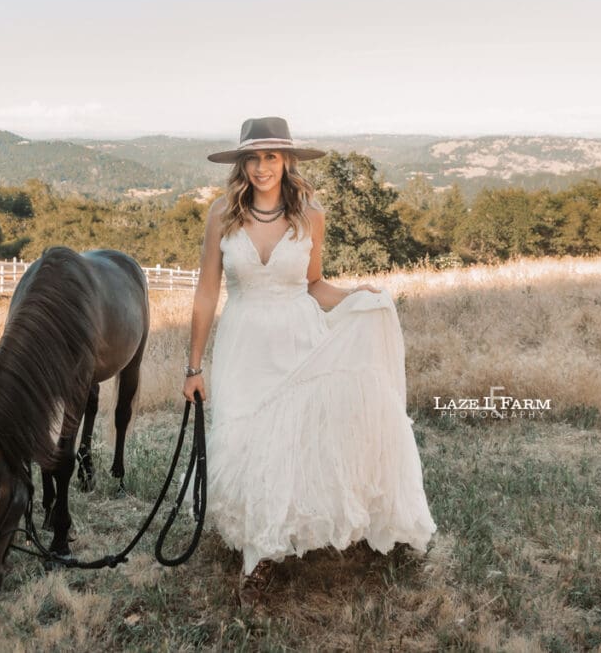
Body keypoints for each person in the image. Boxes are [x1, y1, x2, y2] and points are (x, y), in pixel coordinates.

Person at [182, 116, 437, 608]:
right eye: (252, 158)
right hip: (242, 344)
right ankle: (258, 543)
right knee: (242, 436)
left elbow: (314, 284)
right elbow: (207, 291)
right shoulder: (222, 214)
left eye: (271, 157)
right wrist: (193, 367)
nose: (261, 168)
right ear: (241, 164)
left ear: (287, 161)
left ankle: (262, 556)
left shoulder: (310, 214)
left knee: (288, 440)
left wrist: (357, 296)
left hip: (297, 336)